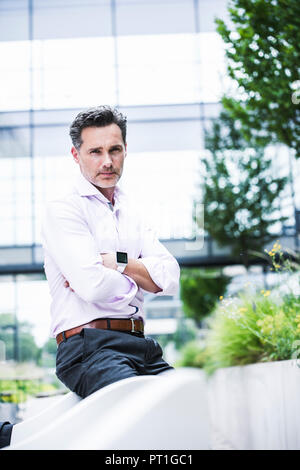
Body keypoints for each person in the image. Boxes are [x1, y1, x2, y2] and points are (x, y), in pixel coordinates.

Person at [41, 105, 180, 398]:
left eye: (114, 150)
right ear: (75, 155)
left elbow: (169, 278)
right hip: (89, 347)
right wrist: (141, 276)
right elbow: (93, 286)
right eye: (95, 152)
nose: (107, 161)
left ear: (126, 150)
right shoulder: (65, 209)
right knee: (137, 411)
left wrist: (116, 263)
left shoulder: (133, 211)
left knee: (183, 404)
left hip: (140, 343)